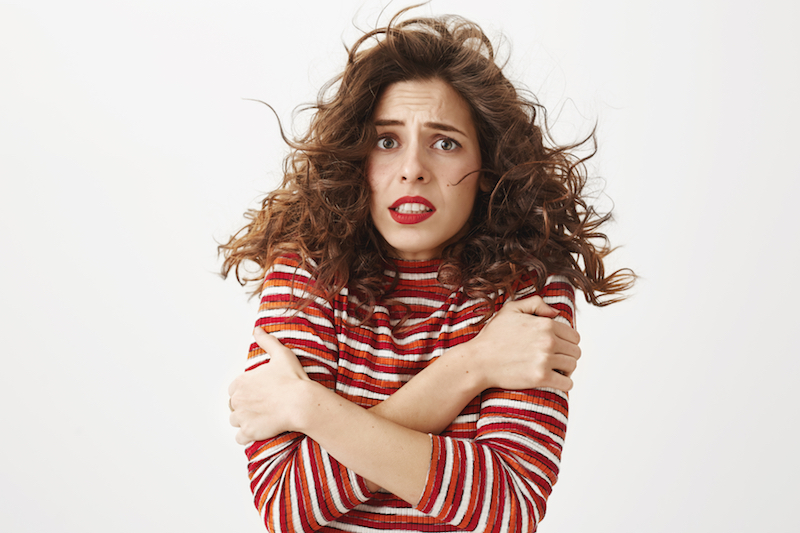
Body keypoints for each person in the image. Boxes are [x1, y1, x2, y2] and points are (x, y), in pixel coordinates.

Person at [221, 9, 633, 532]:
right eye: (387, 141)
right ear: (357, 159)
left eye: (445, 143)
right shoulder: (307, 272)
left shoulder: (528, 285)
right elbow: (286, 505)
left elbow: (509, 508)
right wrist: (473, 366)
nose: (413, 168)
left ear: (487, 170)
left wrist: (310, 410)